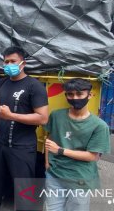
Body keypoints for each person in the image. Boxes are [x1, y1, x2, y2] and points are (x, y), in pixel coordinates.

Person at [0, 46, 49, 211]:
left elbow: (43, 118)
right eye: (6, 61)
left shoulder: (34, 86)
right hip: (0, 142)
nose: (9, 64)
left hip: (22, 145)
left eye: (12, 61)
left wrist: (12, 116)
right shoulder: (1, 83)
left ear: (23, 63)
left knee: (25, 186)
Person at [44, 78, 110, 211]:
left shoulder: (99, 126)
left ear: (89, 95)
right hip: (55, 174)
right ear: (66, 95)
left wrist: (60, 150)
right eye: (70, 94)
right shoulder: (56, 115)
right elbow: (49, 139)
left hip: (80, 178)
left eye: (79, 94)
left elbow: (92, 156)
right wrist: (47, 163)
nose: (75, 98)